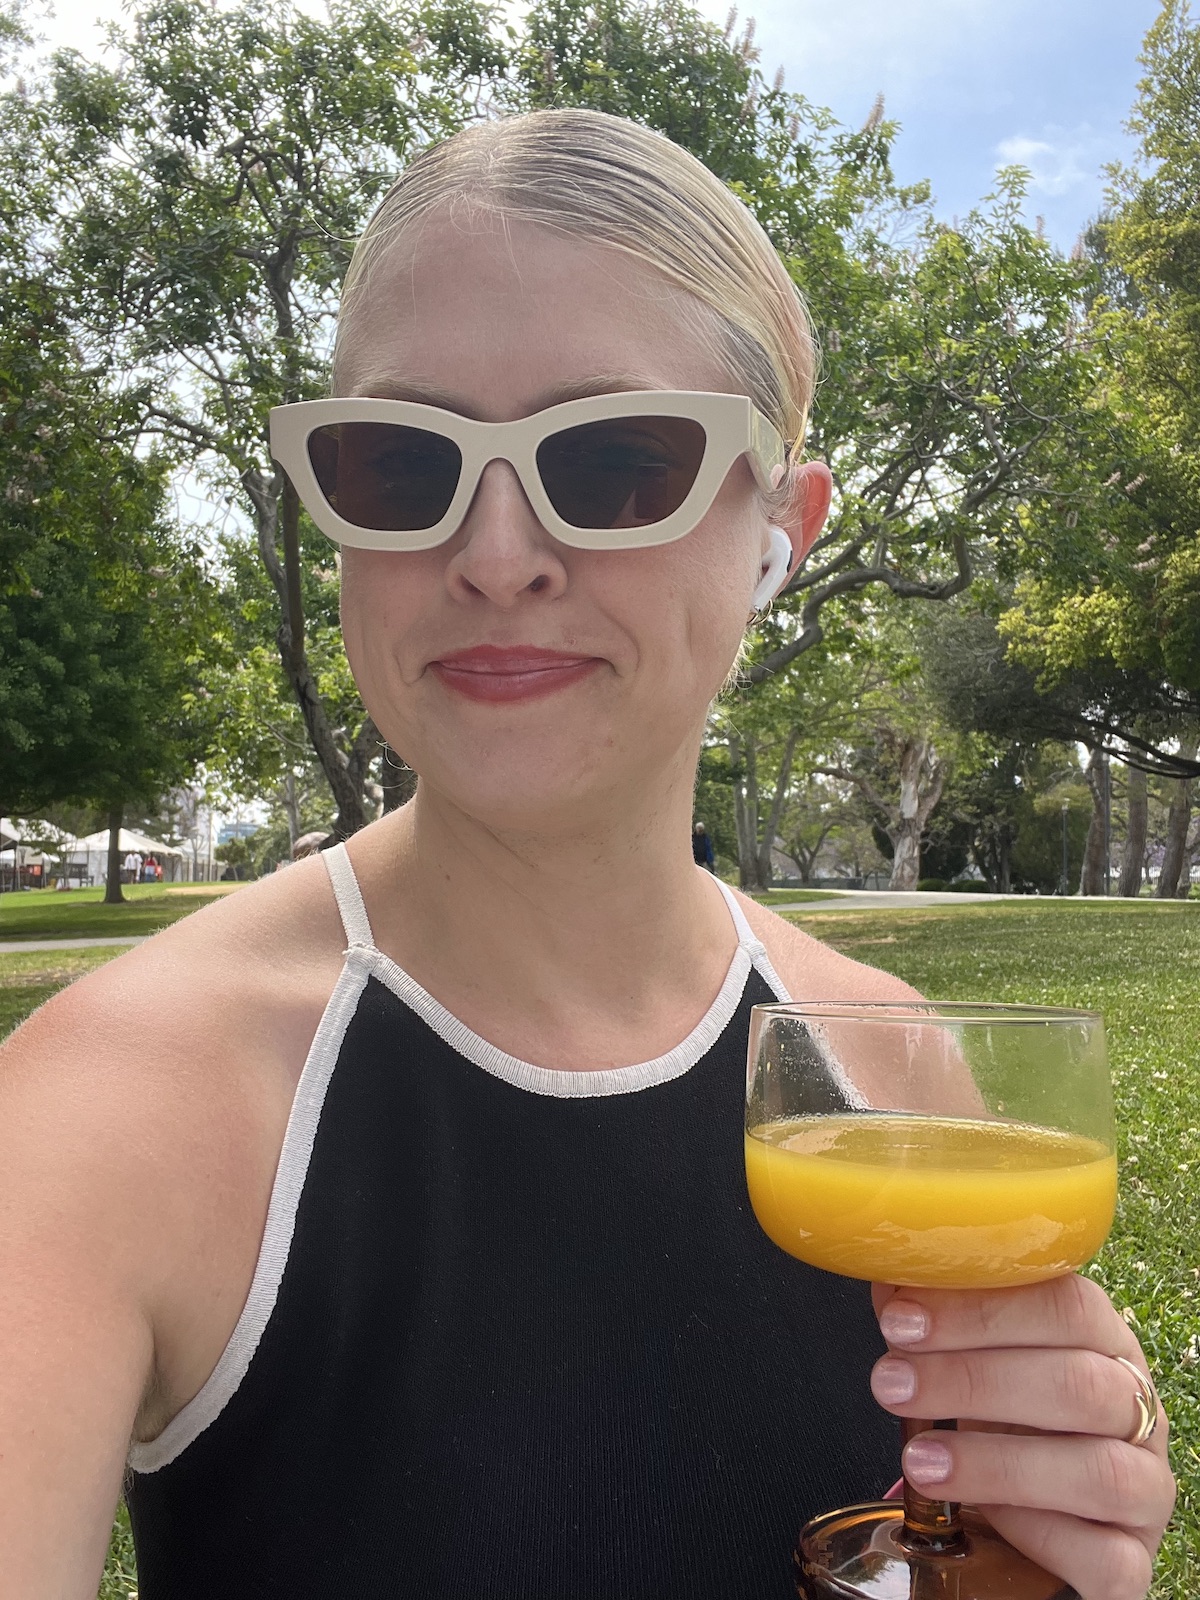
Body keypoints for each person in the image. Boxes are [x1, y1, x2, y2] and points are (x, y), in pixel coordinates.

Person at [0, 110, 1173, 1600]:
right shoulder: (102, 1114)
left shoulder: (893, 1068)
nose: (496, 553)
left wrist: (1064, 1520)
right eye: (401, 462)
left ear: (778, 531)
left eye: (615, 461)